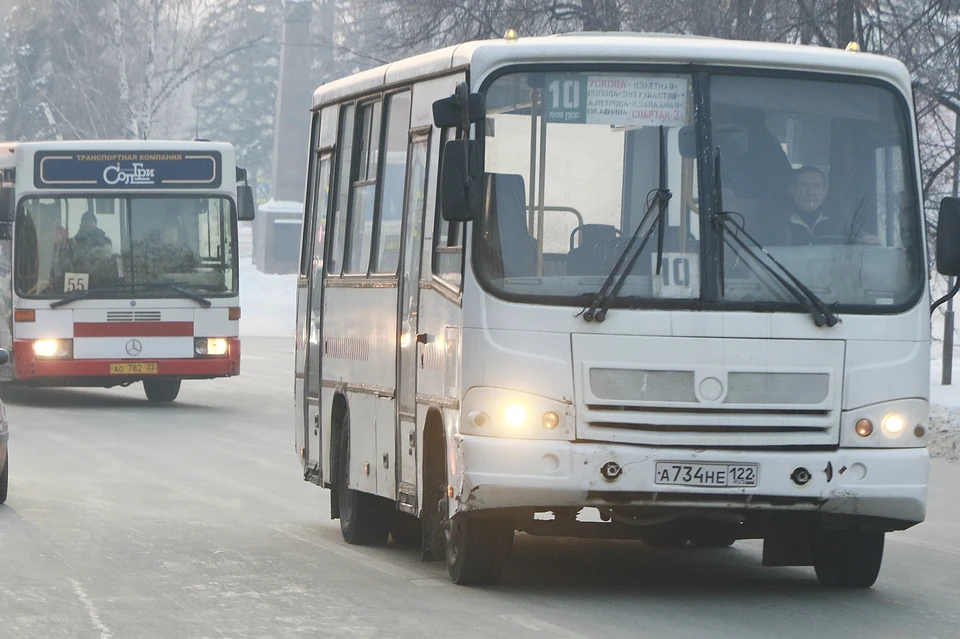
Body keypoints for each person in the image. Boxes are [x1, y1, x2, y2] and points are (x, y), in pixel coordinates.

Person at [66, 211, 117, 286]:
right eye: (85, 221)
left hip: (103, 281)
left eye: (90, 221)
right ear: (81, 224)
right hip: (80, 280)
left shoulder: (106, 241)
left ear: (96, 223)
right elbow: (72, 264)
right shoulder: (73, 242)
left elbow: (107, 258)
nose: (88, 224)